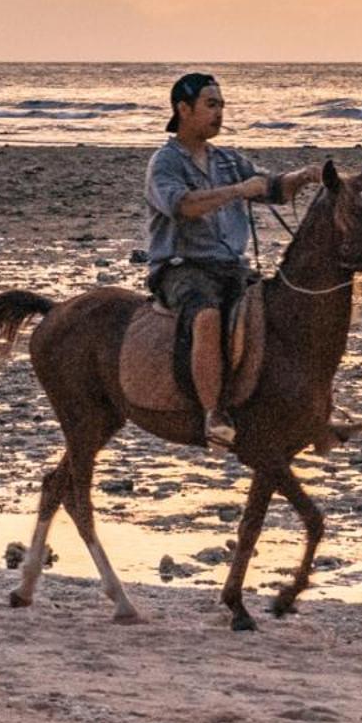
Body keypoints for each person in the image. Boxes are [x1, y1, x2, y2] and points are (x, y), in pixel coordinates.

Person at [144, 72, 331, 450]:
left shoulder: (228, 159)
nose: (219, 113)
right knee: (207, 315)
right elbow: (184, 206)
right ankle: (214, 414)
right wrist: (238, 192)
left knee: (282, 312)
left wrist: (303, 177)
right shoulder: (164, 163)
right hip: (182, 267)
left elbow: (272, 188)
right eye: (211, 105)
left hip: (231, 266)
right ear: (183, 109)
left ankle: (311, 406)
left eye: (222, 106)